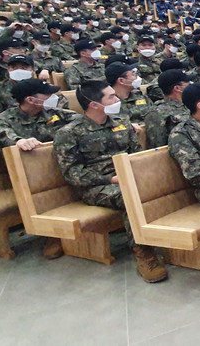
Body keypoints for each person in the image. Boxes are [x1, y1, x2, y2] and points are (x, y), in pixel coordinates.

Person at [53, 81, 167, 283]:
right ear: (94, 104)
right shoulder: (69, 133)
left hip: (128, 178)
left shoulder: (121, 122)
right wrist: (111, 179)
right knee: (130, 196)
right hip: (97, 186)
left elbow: (136, 155)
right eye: (111, 97)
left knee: (168, 184)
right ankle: (143, 252)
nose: (118, 100)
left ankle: (169, 237)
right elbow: (72, 173)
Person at [0, 79, 78, 260]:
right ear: (30, 100)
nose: (52, 98)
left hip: (55, 166)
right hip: (27, 175)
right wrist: (17, 141)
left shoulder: (51, 112)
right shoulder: (4, 119)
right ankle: (53, 235)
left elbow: (78, 119)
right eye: (47, 95)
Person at [143, 69, 192, 149]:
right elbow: (157, 147)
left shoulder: (190, 104)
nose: (191, 87)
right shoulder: (157, 113)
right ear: (177, 88)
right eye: (188, 85)